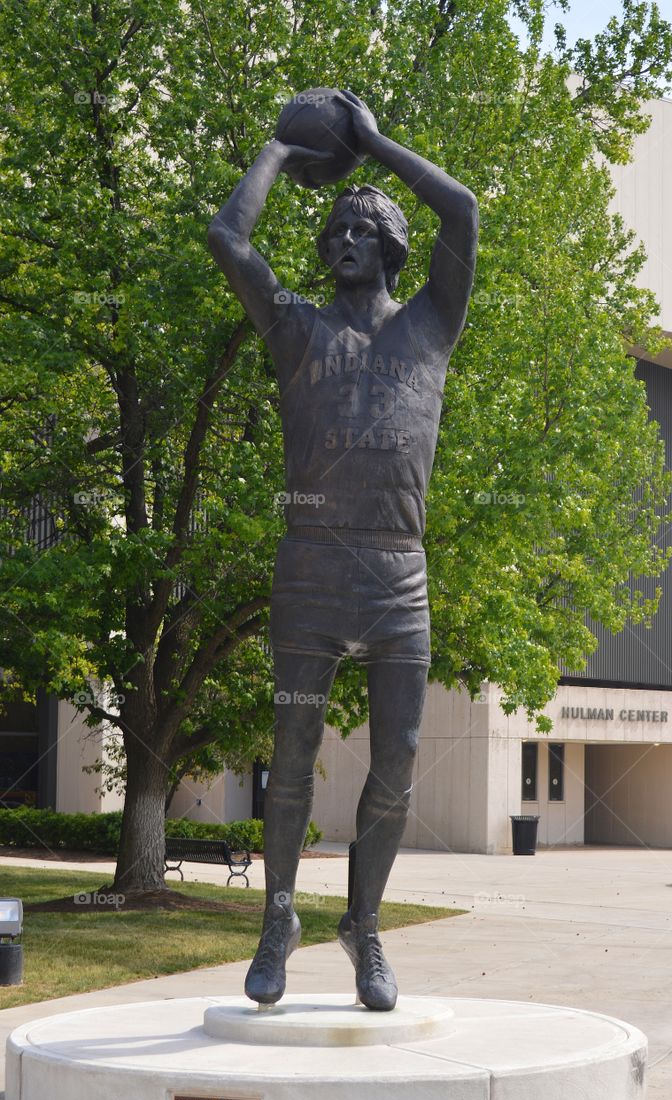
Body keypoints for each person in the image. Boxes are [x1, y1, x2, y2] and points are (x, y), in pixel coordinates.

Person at [208, 90, 477, 1011]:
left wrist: (372, 144)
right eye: (337, 232)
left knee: (397, 758)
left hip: (399, 572)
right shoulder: (296, 329)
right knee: (291, 752)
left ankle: (364, 927)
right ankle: (278, 914)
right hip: (313, 567)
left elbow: (464, 209)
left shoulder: (431, 326)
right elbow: (228, 241)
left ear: (395, 246)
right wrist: (282, 150)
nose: (347, 240)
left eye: (365, 229)